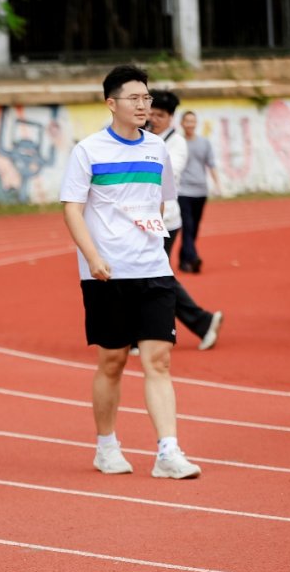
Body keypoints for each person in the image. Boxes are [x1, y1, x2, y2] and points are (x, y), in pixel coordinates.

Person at [59, 65, 201, 480]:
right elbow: (72, 207)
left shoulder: (156, 149)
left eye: (146, 98)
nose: (144, 105)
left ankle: (168, 452)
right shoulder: (89, 151)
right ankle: (106, 446)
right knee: (113, 360)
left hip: (153, 268)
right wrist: (93, 255)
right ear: (111, 104)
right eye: (135, 98)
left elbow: (159, 203)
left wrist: (149, 239)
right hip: (106, 272)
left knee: (159, 360)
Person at [148, 90, 224, 351]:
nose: (153, 119)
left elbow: (166, 171)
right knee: (152, 276)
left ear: (171, 118)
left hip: (165, 220)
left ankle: (200, 322)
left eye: (160, 115)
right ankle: (200, 322)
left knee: (155, 276)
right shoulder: (141, 136)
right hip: (140, 219)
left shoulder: (176, 143)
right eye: (151, 113)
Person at [177, 110, 222, 273]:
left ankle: (184, 260)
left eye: (193, 121)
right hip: (182, 191)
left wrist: (217, 184)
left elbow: (211, 164)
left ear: (196, 124)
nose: (190, 124)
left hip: (201, 191)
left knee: (194, 227)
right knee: (187, 226)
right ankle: (193, 258)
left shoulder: (204, 143)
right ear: (182, 123)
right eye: (187, 121)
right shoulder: (177, 142)